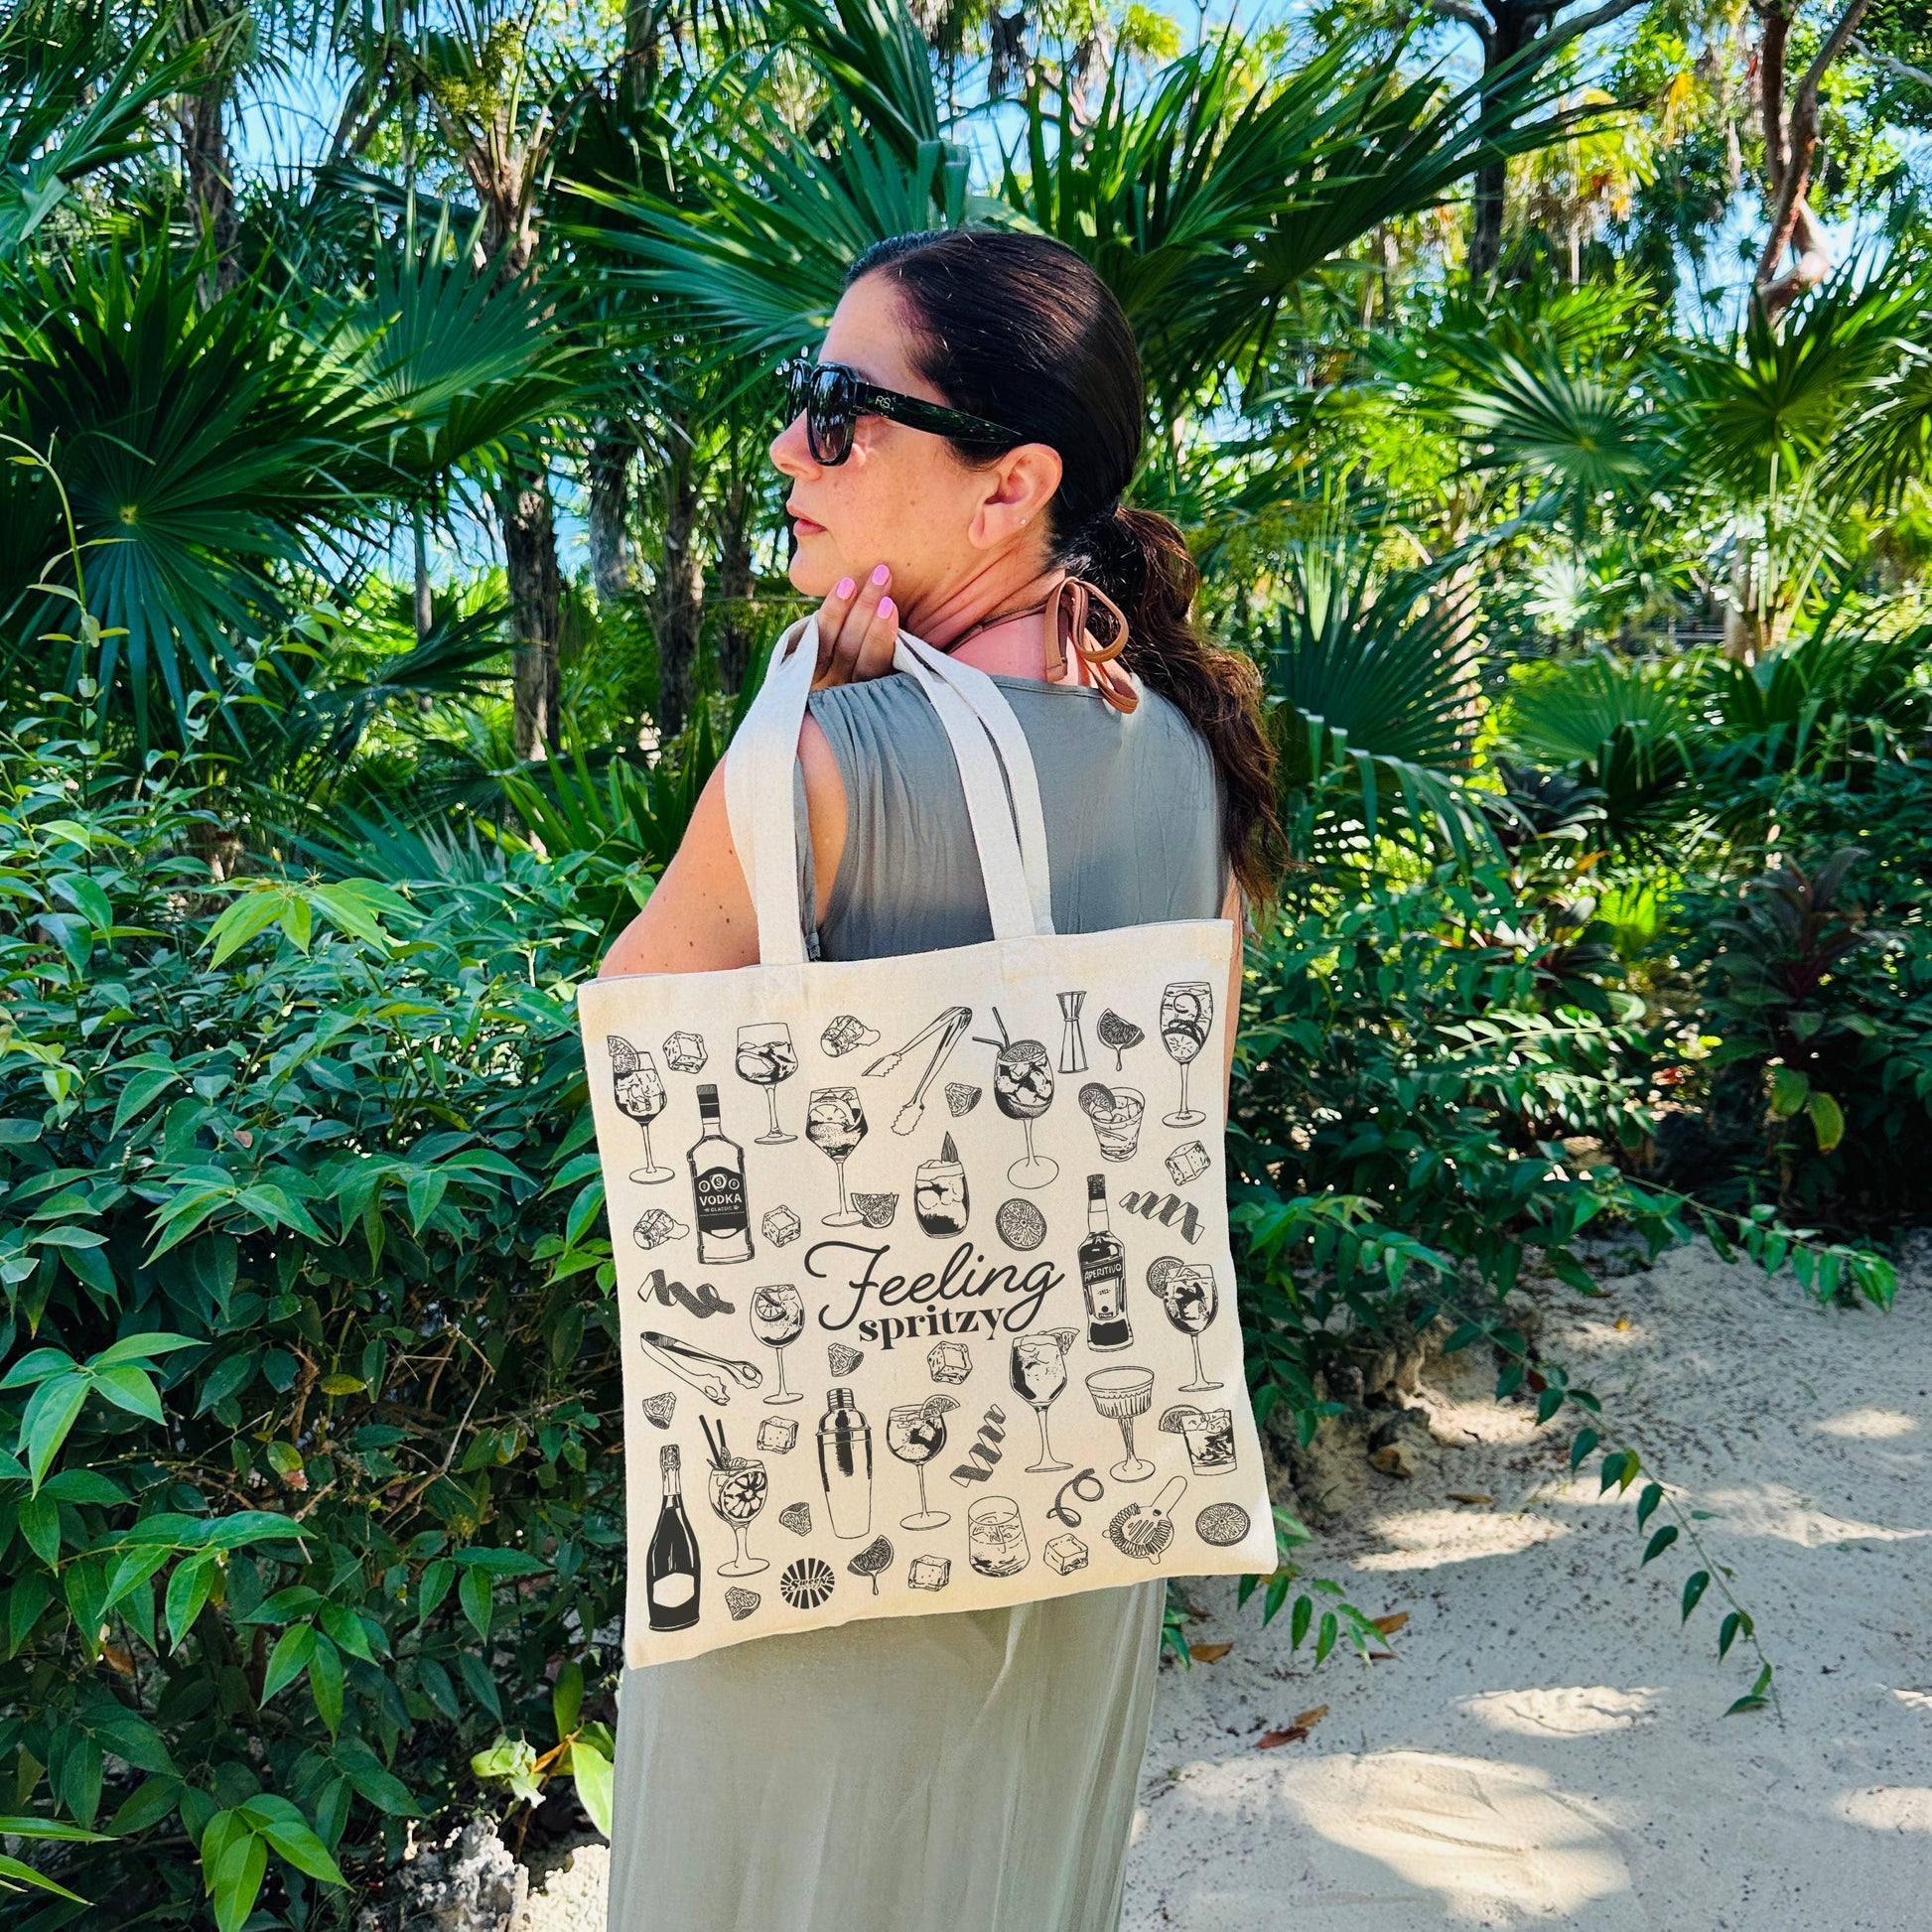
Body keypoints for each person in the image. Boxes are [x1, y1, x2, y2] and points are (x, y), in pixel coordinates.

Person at [599, 227, 1281, 1932]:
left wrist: (799, 733)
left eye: (842, 410)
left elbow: (640, 1051)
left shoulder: (823, 754)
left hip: (829, 1535)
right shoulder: (1193, 742)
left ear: (1008, 486)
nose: (786, 448)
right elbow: (1168, 1121)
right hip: (1079, 1496)